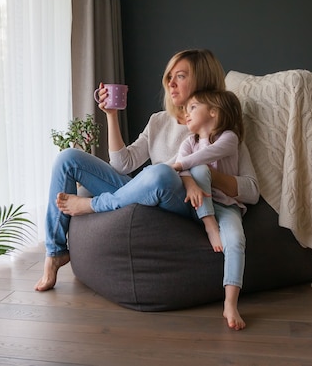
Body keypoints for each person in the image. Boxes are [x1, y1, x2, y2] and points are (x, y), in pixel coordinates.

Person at [35, 49, 259, 330]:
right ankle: (55, 253)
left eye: (181, 76)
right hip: (143, 189)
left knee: (161, 175)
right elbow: (122, 164)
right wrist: (112, 116)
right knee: (68, 159)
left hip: (177, 200)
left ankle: (96, 204)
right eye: (169, 77)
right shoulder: (159, 120)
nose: (171, 83)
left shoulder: (216, 128)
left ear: (202, 81)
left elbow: (251, 190)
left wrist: (206, 175)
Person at [171, 89, 248, 329]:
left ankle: (231, 302)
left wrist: (181, 166)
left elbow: (197, 159)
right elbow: (181, 169)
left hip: (226, 206)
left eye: (193, 107)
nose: (187, 112)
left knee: (236, 241)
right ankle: (210, 226)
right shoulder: (188, 142)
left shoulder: (229, 138)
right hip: (200, 207)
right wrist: (187, 177)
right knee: (199, 171)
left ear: (213, 112)